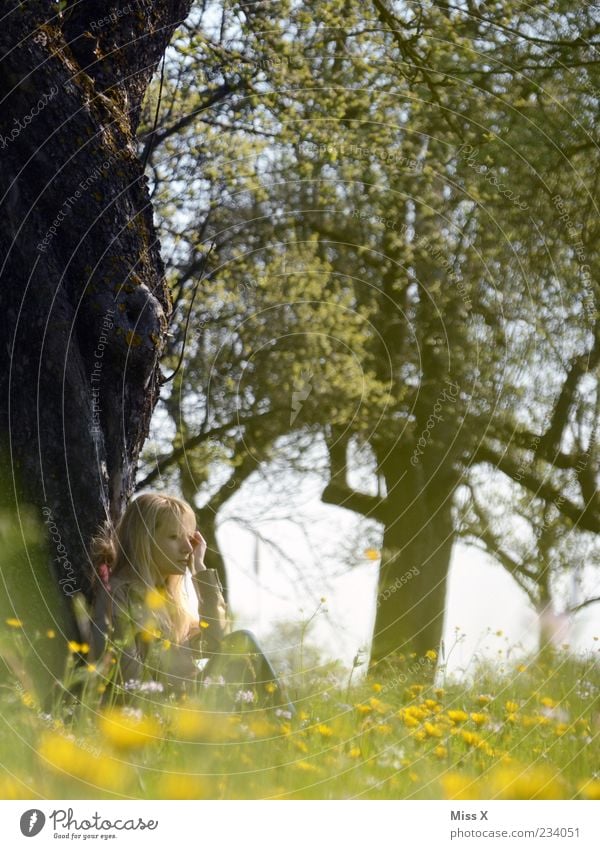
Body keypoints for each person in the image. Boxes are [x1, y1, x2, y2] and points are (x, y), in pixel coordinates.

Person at [89, 493, 293, 713]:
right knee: (244, 640)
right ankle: (287, 726)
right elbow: (126, 682)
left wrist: (200, 571)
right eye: (174, 537)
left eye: (189, 538)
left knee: (242, 642)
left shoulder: (170, 600)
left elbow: (218, 643)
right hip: (161, 715)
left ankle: (284, 728)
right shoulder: (118, 595)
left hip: (189, 705)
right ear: (145, 539)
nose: (187, 548)